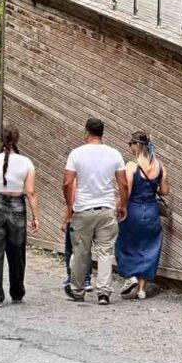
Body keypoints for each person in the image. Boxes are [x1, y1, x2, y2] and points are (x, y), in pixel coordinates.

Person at [62, 118, 128, 305]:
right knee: (106, 252)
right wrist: (122, 205)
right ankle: (104, 293)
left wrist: (69, 206)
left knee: (81, 251)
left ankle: (77, 289)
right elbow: (123, 183)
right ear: (102, 133)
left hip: (83, 209)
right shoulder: (114, 154)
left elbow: (67, 183)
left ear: (86, 132)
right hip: (107, 209)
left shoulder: (76, 154)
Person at [0, 127, 38, 308]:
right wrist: (36, 216)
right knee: (17, 253)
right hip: (17, 206)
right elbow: (31, 192)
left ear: (1, 140)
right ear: (17, 140)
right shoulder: (26, 162)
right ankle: (17, 293)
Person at [116, 131, 169, 300]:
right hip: (152, 211)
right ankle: (142, 290)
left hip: (134, 210)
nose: (130, 148)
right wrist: (152, 187)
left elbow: (127, 191)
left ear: (136, 145)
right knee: (149, 248)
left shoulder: (131, 166)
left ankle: (130, 276)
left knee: (126, 244)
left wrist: (119, 206)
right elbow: (165, 191)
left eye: (130, 145)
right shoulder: (160, 166)